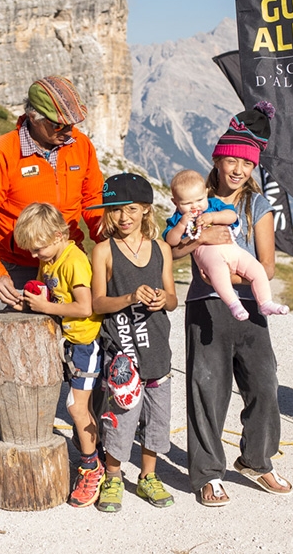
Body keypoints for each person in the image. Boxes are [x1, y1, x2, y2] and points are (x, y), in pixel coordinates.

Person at [170, 102, 293, 507]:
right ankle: (207, 474)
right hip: (205, 306)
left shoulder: (257, 206)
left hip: (249, 306)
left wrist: (236, 276)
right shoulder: (193, 201)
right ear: (218, 160)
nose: (239, 169)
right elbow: (170, 252)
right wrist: (201, 241)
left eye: (248, 162)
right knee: (207, 389)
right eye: (232, 160)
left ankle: (257, 460)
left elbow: (269, 267)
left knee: (264, 384)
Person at [0, 75, 104, 309]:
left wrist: (107, 244)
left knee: (79, 333)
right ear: (33, 117)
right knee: (19, 337)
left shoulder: (81, 145)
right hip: (19, 268)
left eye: (72, 124)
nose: (69, 131)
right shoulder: (2, 152)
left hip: (69, 259)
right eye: (59, 124)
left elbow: (93, 199)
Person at [89, 173, 178, 513]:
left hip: (157, 348)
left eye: (130, 209)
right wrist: (128, 297)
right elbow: (98, 303)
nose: (123, 217)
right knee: (121, 415)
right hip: (122, 352)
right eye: (114, 210)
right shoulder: (103, 251)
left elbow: (172, 298)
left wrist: (161, 300)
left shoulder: (162, 249)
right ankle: (112, 476)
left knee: (157, 417)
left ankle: (148, 476)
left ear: (145, 210)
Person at [11, 202, 105, 508]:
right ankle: (91, 449)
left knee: (76, 409)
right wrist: (30, 301)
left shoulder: (73, 260)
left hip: (84, 343)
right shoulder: (51, 260)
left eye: (38, 250)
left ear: (57, 235)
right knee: (74, 405)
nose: (35, 257)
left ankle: (92, 467)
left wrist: (46, 308)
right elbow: (51, 294)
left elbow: (84, 307)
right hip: (67, 339)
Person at [164, 169, 289, 321]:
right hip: (209, 255)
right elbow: (171, 241)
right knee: (219, 271)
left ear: (206, 193)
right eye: (187, 203)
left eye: (199, 200)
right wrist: (182, 225)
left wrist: (212, 217)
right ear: (175, 202)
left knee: (256, 269)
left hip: (233, 250)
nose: (194, 206)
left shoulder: (214, 205)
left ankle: (266, 302)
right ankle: (234, 304)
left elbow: (231, 215)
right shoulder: (178, 217)